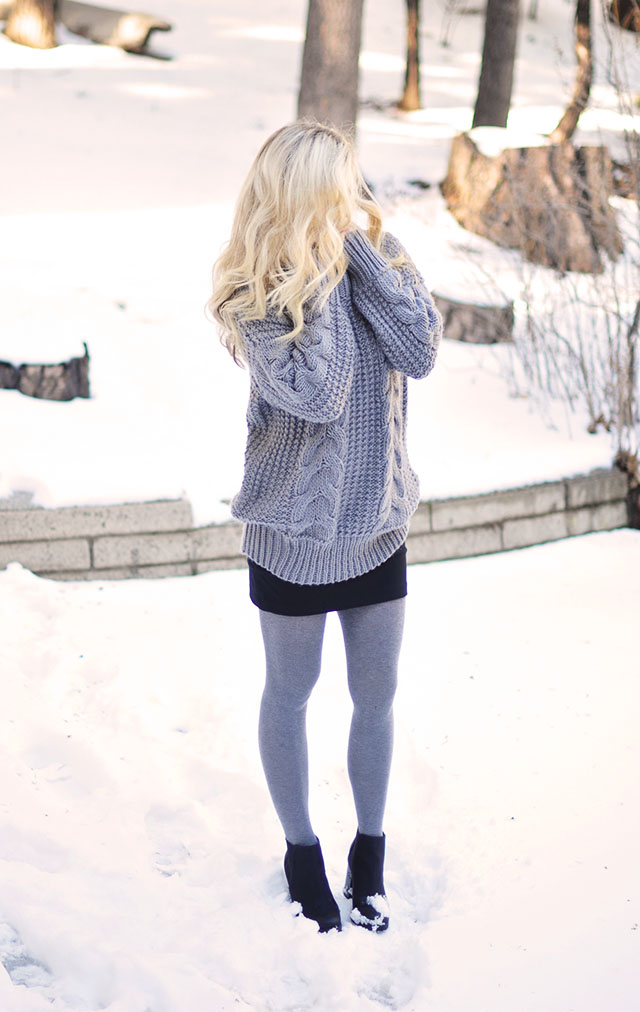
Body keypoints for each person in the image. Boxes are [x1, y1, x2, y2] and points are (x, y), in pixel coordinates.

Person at [208, 121, 442, 934]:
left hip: (377, 523)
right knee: (292, 693)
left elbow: (418, 350)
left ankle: (368, 855)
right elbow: (322, 392)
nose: (359, 197)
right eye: (341, 185)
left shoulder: (379, 252)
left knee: (375, 699)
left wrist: (360, 256)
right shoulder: (256, 293)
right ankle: (301, 850)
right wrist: (325, 276)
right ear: (305, 195)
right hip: (292, 535)